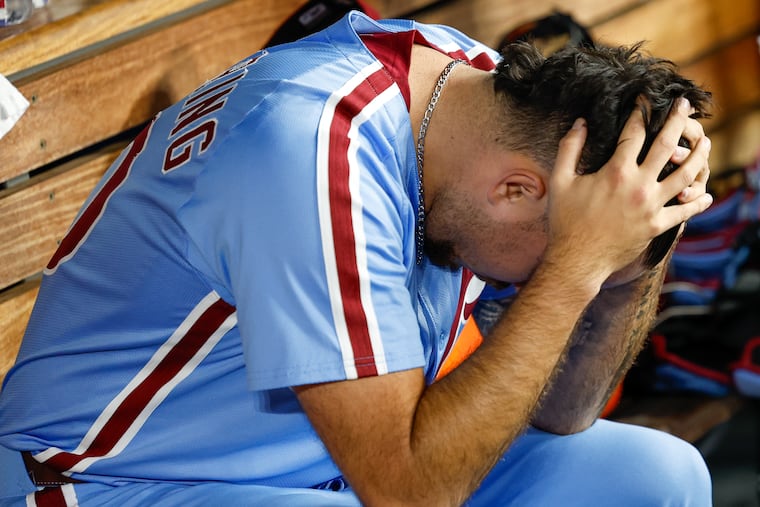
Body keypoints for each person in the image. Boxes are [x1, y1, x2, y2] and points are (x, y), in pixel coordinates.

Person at [0, 10, 714, 507]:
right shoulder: (309, 145)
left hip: (338, 471)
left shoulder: (485, 108)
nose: (524, 284)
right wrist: (574, 268)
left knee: (657, 474)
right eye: (546, 255)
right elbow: (411, 492)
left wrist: (628, 261)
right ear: (515, 190)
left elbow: (564, 410)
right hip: (107, 482)